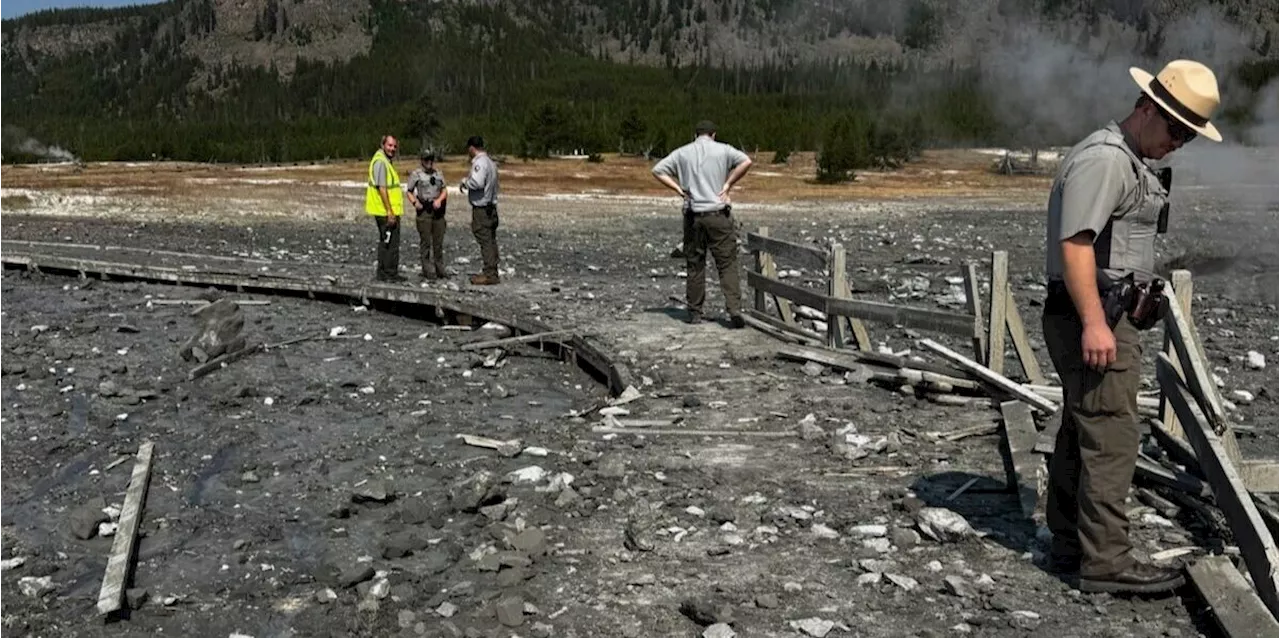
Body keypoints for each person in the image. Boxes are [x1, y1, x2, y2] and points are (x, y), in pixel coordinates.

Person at [1041, 59, 1222, 595]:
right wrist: (1097, 322)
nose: (1179, 142)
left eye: (1188, 136)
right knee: (1113, 434)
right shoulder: (1107, 160)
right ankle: (1107, 562)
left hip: (1100, 311)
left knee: (1085, 427)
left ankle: (1072, 544)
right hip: (1093, 316)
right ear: (1147, 108)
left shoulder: (1126, 159)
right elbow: (1075, 244)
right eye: (1175, 129)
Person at [652, 120, 753, 328]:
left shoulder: (682, 152)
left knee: (695, 264)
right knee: (726, 264)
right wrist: (727, 185)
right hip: (718, 213)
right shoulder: (724, 150)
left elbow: (658, 170)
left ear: (695, 135)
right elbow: (746, 162)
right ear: (713, 134)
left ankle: (695, 312)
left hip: (693, 214)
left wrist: (679, 189)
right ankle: (734, 309)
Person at [459, 135, 501, 285]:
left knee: (485, 239)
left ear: (471, 148)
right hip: (491, 206)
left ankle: (490, 273)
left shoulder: (480, 163)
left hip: (482, 208)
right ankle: (493, 268)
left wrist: (465, 182)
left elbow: (477, 182)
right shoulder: (491, 162)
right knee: (490, 238)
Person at [365, 135, 405, 282]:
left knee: (385, 241)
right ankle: (389, 274)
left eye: (394, 146)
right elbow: (382, 188)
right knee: (391, 243)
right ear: (383, 145)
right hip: (385, 211)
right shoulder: (381, 162)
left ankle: (383, 273)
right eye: (389, 145)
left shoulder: (383, 161)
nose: (392, 149)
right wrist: (390, 212)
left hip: (383, 210)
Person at [406, 149, 449, 279]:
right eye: (426, 159)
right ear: (422, 160)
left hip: (438, 210)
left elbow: (444, 190)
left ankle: (440, 268)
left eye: (431, 159)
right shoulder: (416, 174)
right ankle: (427, 269)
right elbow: (409, 191)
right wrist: (415, 203)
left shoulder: (438, 174)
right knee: (425, 242)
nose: (429, 162)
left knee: (438, 241)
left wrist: (440, 200)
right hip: (424, 209)